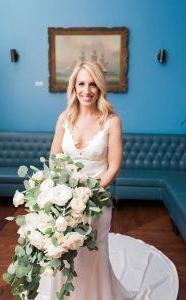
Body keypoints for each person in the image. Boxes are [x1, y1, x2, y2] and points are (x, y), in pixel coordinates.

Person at [36, 61, 178, 300]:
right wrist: (61, 192)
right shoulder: (64, 118)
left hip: (95, 200)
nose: (86, 90)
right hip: (63, 200)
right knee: (63, 251)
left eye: (92, 84)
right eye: (81, 83)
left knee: (91, 255)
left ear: (100, 88)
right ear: (74, 86)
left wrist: (86, 195)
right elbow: (54, 158)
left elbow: (114, 167)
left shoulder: (112, 121)